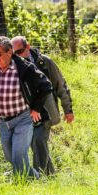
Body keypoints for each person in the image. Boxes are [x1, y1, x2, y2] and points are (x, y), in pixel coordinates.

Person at [0, 36, 53, 178]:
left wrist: (36, 108)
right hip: (3, 121)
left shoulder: (24, 68)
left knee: (19, 155)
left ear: (9, 52)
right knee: (11, 157)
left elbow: (46, 86)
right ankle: (35, 178)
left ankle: (24, 185)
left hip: (23, 118)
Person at [11, 36, 74, 176]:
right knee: (37, 145)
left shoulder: (44, 62)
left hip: (46, 112)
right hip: (26, 114)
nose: (17, 56)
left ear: (28, 47)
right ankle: (50, 175)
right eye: (14, 53)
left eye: (20, 51)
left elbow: (60, 85)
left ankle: (39, 176)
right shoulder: (13, 66)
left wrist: (68, 109)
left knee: (38, 139)